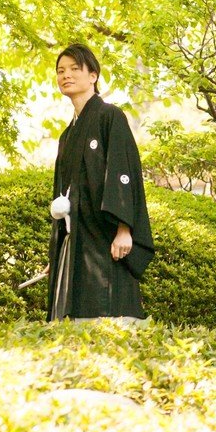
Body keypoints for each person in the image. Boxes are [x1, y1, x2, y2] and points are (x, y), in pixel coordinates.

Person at [46, 44, 154, 321]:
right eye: (60, 71)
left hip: (104, 235)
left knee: (106, 313)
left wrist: (124, 228)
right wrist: (57, 252)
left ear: (93, 75)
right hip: (76, 238)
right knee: (71, 316)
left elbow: (123, 172)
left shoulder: (109, 116)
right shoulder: (67, 135)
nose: (66, 75)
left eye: (74, 68)